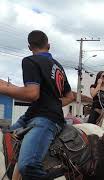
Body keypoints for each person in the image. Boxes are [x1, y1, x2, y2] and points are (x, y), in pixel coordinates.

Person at [0, 30, 74, 179]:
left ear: (29, 47)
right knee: (4, 143)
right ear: (49, 45)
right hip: (30, 117)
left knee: (27, 164)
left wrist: (3, 88)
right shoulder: (58, 66)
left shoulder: (30, 61)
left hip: (46, 119)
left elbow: (32, 94)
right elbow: (70, 96)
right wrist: (54, 103)